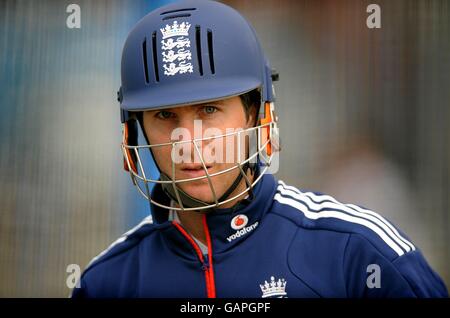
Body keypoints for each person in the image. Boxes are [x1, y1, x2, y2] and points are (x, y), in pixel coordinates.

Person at [72, 0, 447, 298]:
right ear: (135, 128)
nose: (188, 139)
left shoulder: (358, 253)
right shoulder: (106, 281)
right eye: (165, 114)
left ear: (257, 115)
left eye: (209, 109)